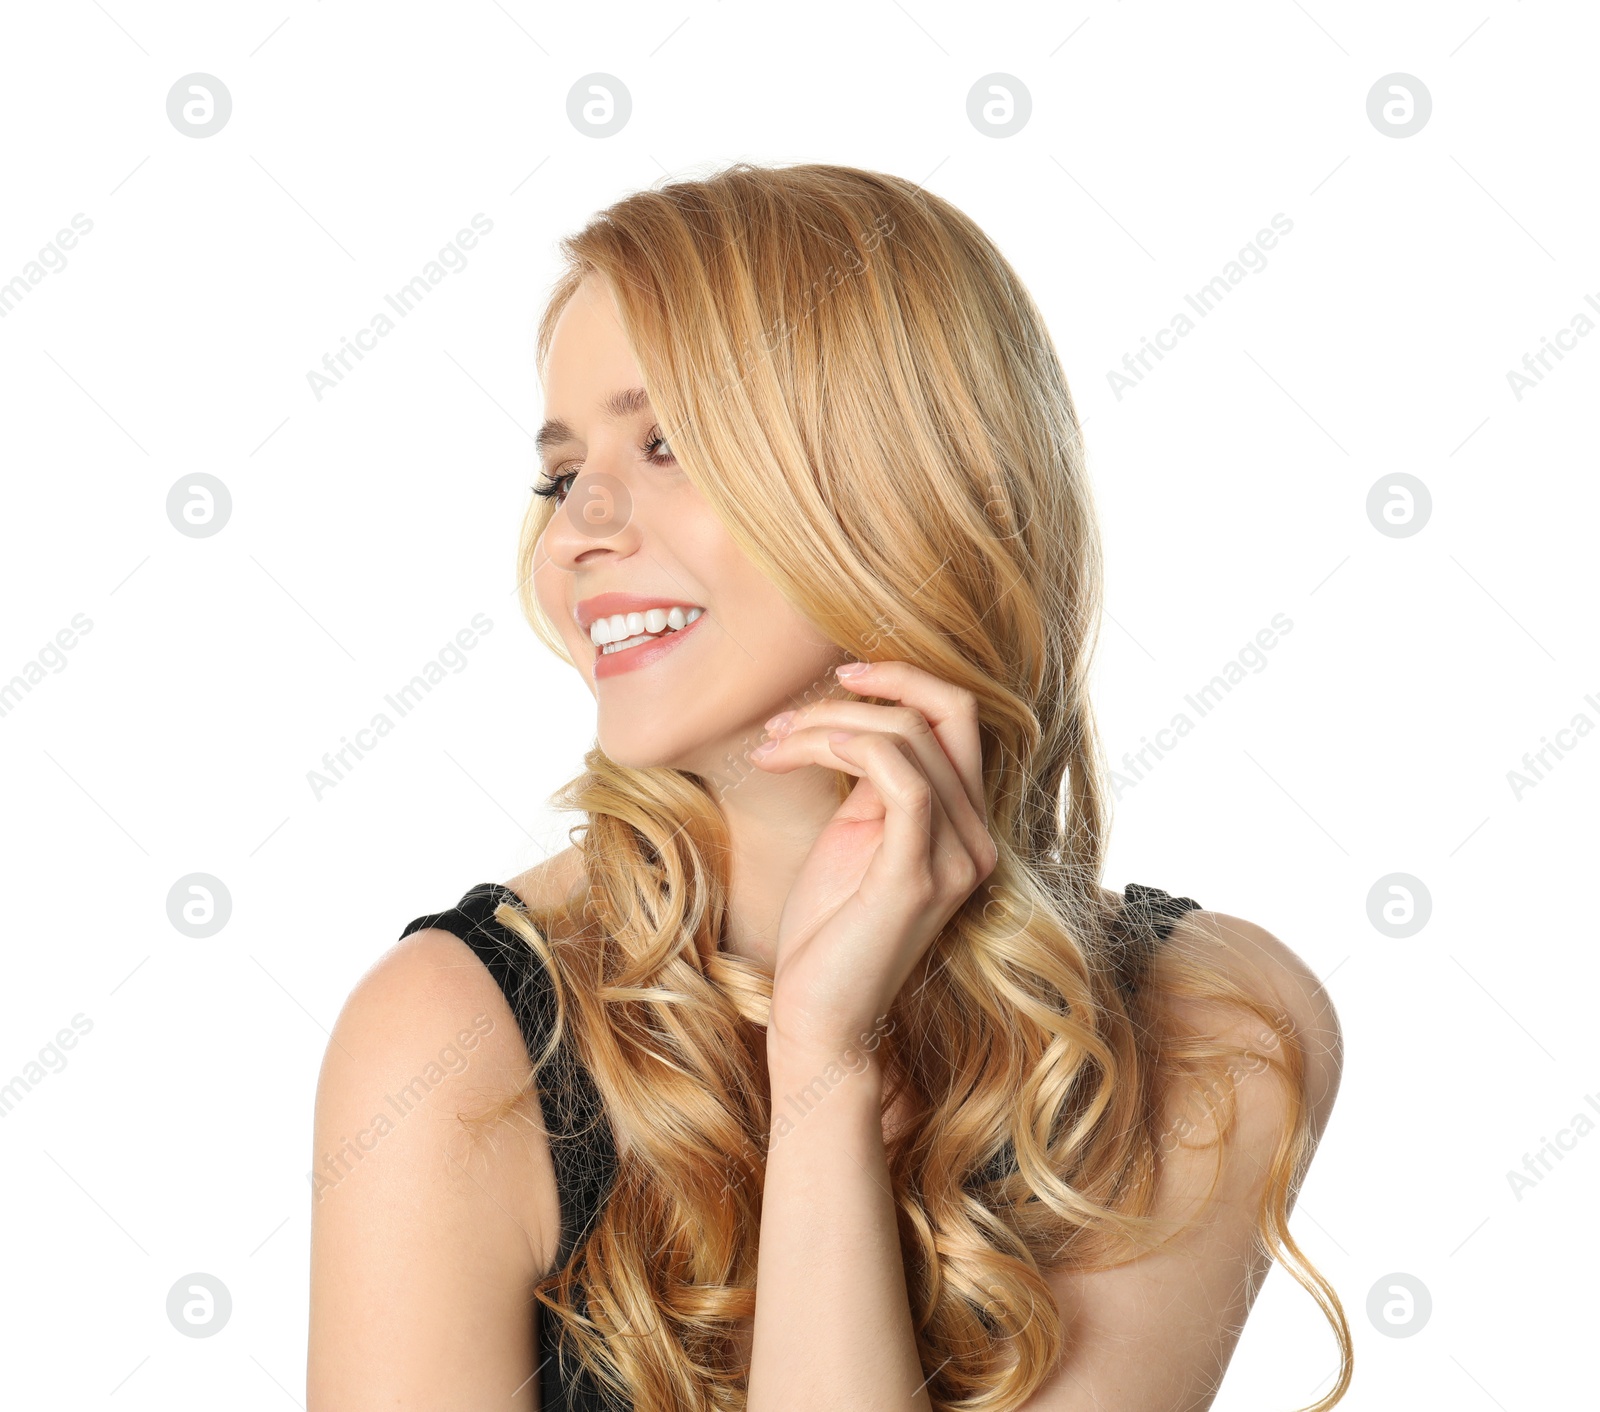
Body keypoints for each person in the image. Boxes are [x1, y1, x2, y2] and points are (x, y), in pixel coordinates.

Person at [306, 162, 1348, 1411]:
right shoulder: (453, 1040)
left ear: (899, 476)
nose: (579, 524)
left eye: (668, 442)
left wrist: (824, 1064)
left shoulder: (1215, 1030)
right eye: (560, 468)